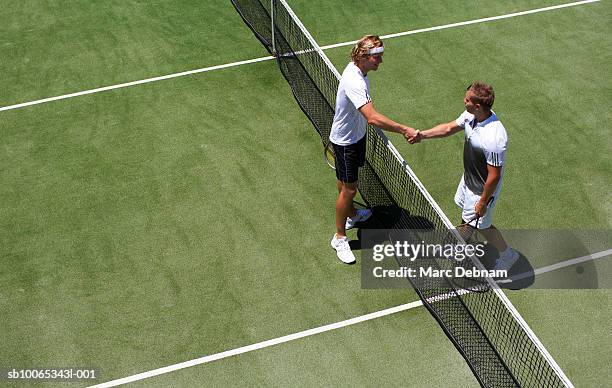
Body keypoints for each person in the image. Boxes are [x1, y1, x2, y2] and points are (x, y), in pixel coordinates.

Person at [409, 82, 519, 270]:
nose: (464, 100)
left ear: (477, 106)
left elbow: (494, 176)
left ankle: (506, 255)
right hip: (469, 178)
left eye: (467, 99)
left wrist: (483, 202)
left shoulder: (494, 137)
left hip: (482, 189)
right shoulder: (471, 115)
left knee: (477, 226)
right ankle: (461, 245)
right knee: (472, 221)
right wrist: (422, 135)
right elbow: (448, 128)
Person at [329, 35, 417, 264]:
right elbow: (373, 118)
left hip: (356, 136)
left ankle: (351, 214)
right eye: (377, 57)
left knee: (347, 184)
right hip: (346, 141)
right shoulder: (354, 80)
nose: (381, 61)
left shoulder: (359, 71)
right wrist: (404, 129)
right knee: (349, 190)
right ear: (363, 57)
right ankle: (339, 237)